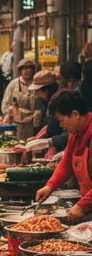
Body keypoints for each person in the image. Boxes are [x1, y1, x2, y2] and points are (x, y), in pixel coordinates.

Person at [37, 91, 92, 223]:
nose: (61, 125)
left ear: (75, 114)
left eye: (62, 120)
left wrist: (81, 205)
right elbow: (66, 163)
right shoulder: (75, 133)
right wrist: (50, 186)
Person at [2, 58, 36, 139]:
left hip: (34, 126)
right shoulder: (13, 84)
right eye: (25, 68)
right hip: (17, 126)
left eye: (30, 68)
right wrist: (10, 113)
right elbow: (5, 105)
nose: (28, 71)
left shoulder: (37, 84)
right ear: (20, 70)